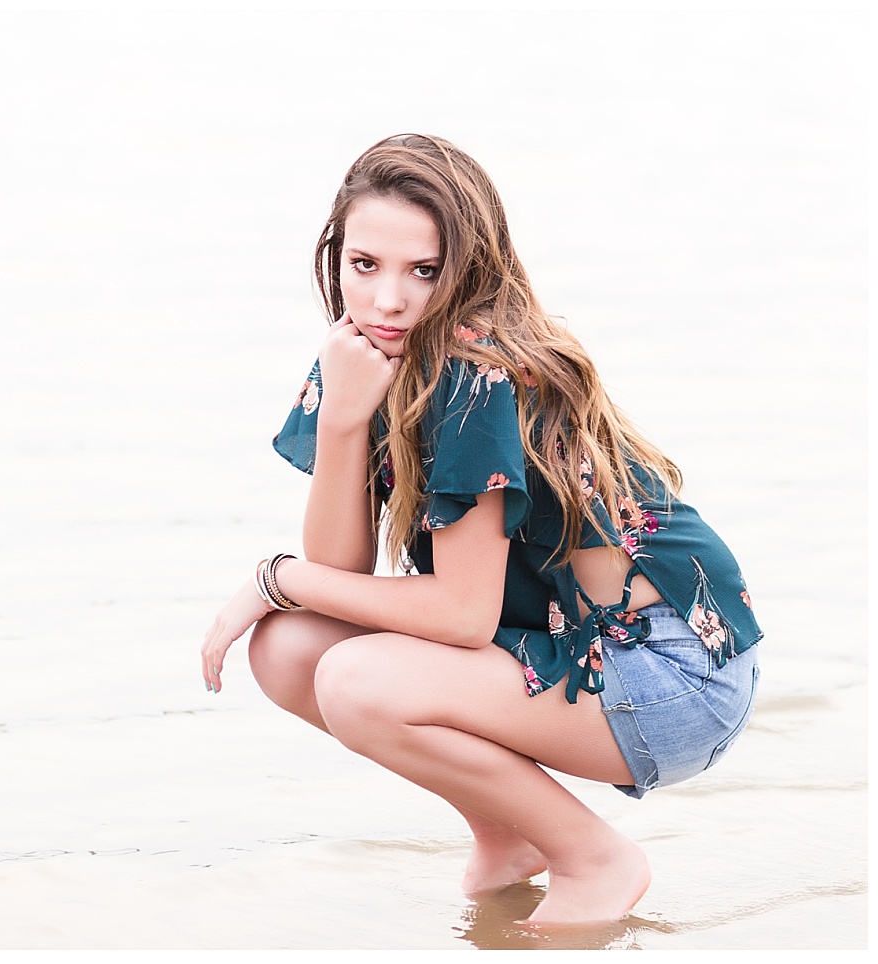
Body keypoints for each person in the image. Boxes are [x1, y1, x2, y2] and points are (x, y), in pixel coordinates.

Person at [200, 134, 761, 925]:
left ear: (468, 269)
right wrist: (342, 424)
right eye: (365, 266)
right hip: (564, 650)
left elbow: (459, 615)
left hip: (670, 673)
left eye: (423, 271)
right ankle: (508, 834)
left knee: (354, 679)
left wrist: (272, 577)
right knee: (289, 649)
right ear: (337, 259)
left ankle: (592, 859)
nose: (387, 301)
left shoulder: (478, 366)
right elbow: (343, 574)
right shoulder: (364, 352)